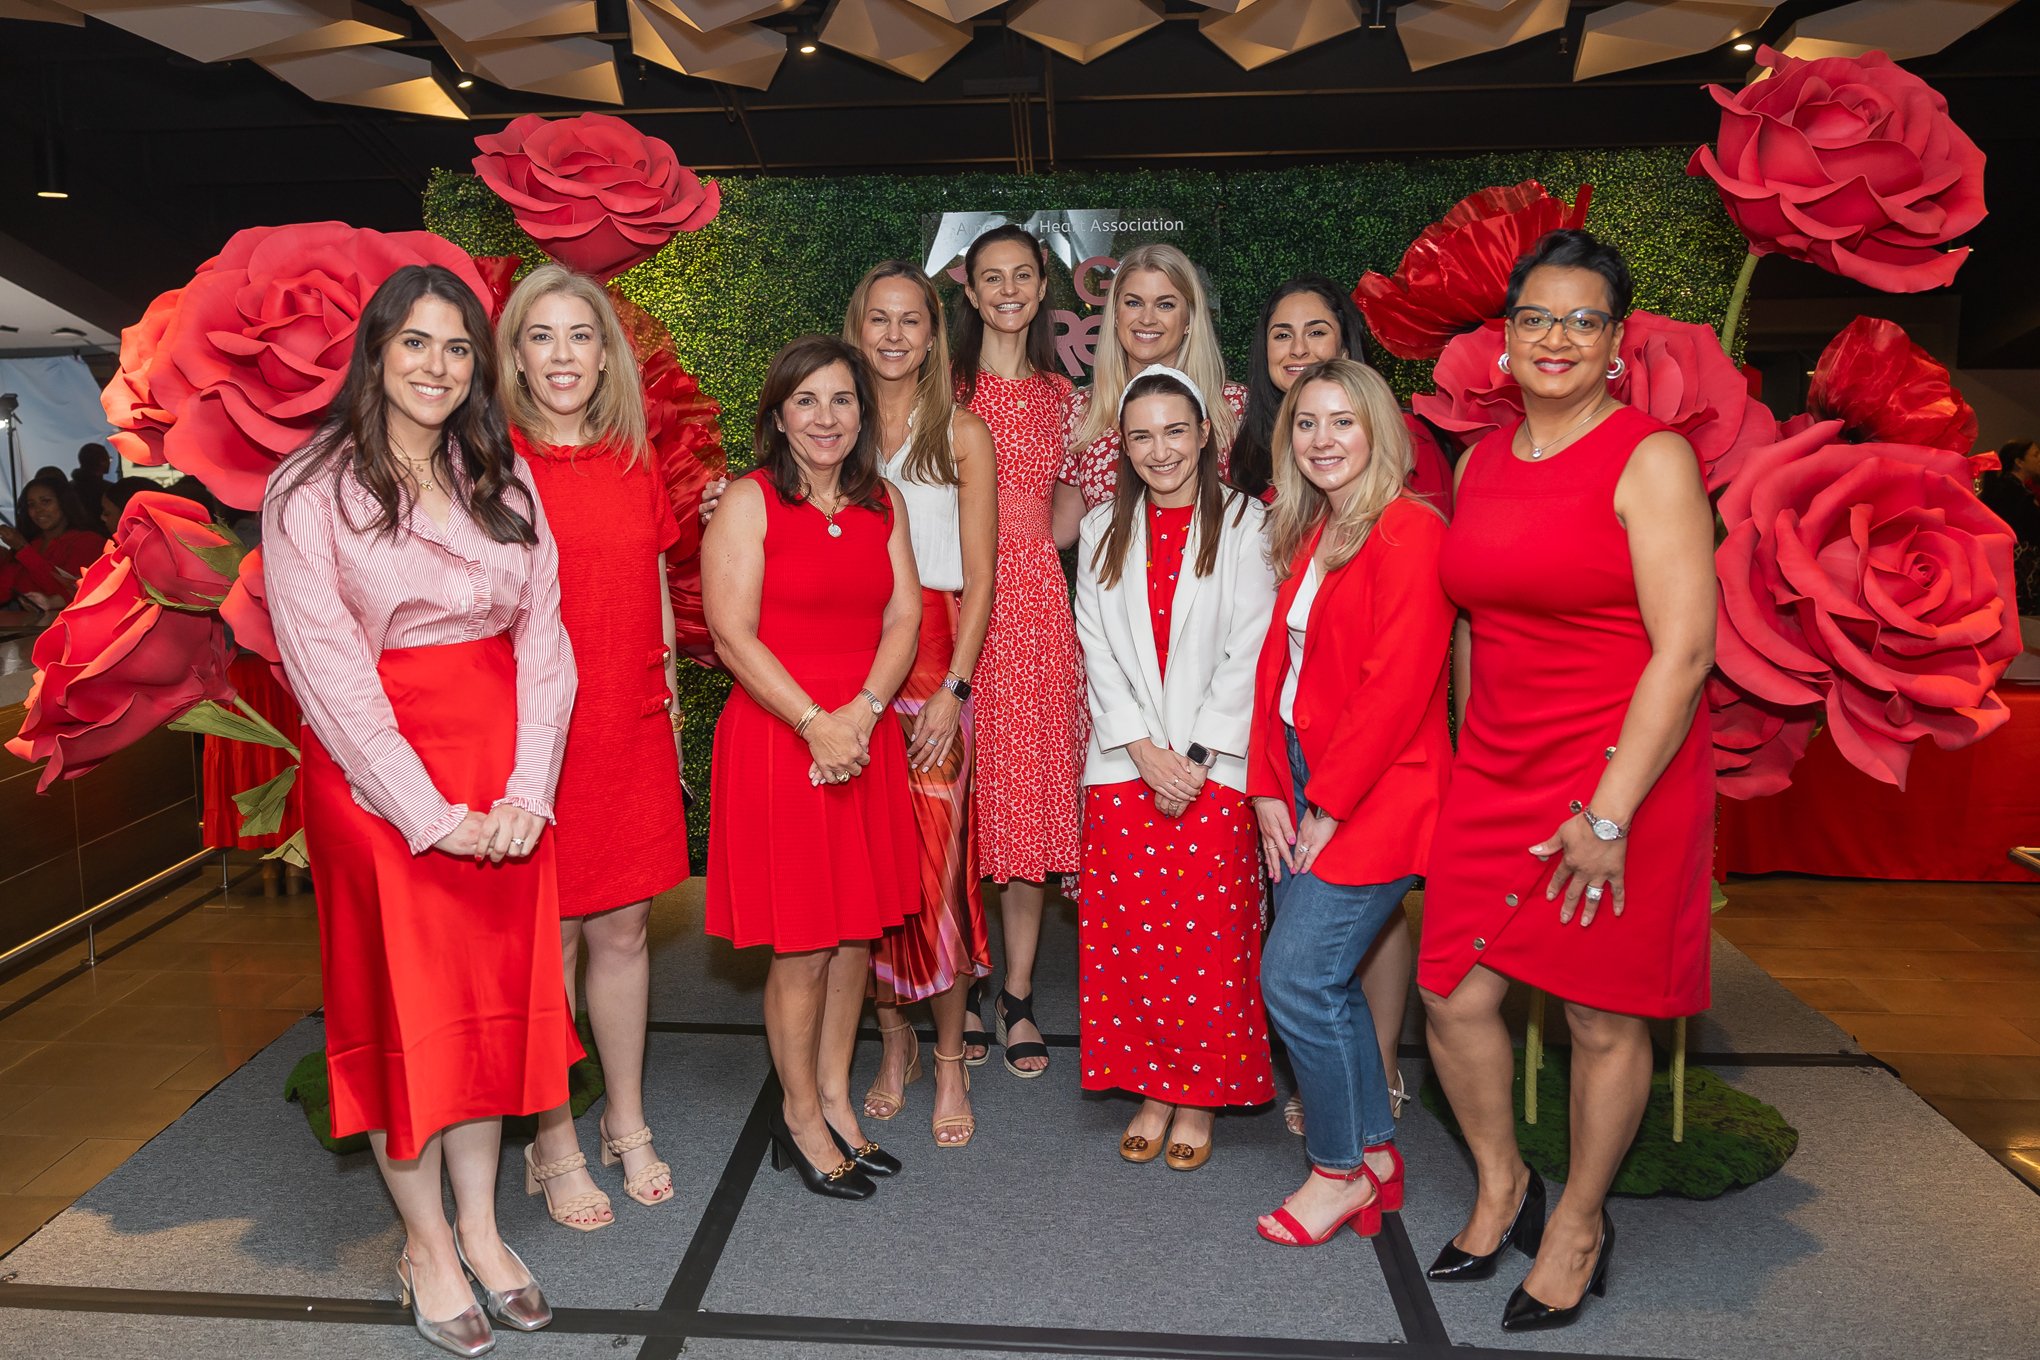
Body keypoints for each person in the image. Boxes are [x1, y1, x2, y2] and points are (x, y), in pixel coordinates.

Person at [264, 263, 580, 1355]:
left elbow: (547, 642)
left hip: (503, 763)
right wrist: (431, 811)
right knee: (405, 1015)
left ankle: (485, 1232)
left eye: (458, 349)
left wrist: (529, 790)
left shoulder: (500, 470)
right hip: (380, 778)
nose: (438, 368)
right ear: (377, 352)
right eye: (416, 345)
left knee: (491, 1011)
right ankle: (427, 1248)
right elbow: (328, 676)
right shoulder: (310, 490)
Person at [1418, 230, 1716, 1332]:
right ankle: (1503, 1183)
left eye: (1582, 320)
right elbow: (1469, 626)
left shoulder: (1653, 459)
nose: (1557, 338)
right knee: (1452, 993)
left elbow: (1684, 651)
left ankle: (1582, 1221)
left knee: (1599, 1015)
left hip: (1620, 773)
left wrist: (1608, 810)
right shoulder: (1482, 461)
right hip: (1497, 766)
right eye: (1537, 318)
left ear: (1617, 344)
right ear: (1503, 340)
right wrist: (1461, 758)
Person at [1232, 276, 1453, 1142]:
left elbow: (1394, 692)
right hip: (1297, 771)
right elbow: (1272, 677)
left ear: (1378, 430)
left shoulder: (1411, 530)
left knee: (1293, 980)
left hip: (1375, 788)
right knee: (1314, 976)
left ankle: (1336, 1163)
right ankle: (1369, 1152)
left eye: (1343, 422)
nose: (1323, 440)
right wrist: (1266, 789)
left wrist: (1325, 803)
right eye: (1308, 424)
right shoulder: (1311, 529)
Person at [701, 334, 922, 1200]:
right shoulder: (750, 503)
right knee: (801, 947)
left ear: (861, 415)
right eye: (807, 401)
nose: (826, 418)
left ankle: (835, 1095)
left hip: (863, 737)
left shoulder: (884, 504)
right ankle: (797, 1118)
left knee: (855, 937)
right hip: (777, 740)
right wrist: (813, 722)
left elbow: (904, 617)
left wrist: (862, 713)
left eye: (842, 401)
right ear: (779, 416)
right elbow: (730, 633)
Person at [497, 263, 689, 1230]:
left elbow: (652, 580)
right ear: (516, 355)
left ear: (604, 352)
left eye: (581, 335)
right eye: (543, 336)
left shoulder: (631, 454)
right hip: (536, 735)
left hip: (630, 723)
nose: (563, 355)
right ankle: (553, 1136)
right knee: (552, 940)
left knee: (623, 932)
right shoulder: (490, 462)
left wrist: (666, 704)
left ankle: (627, 1117)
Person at [1072, 363, 1276, 1170]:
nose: (1161, 450)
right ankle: (1153, 1087)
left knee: (1211, 941)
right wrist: (1144, 751)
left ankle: (1198, 1095)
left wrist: (1190, 759)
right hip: (1126, 766)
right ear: (1123, 445)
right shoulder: (1098, 529)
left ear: (1205, 436)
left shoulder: (1250, 524)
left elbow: (1249, 651)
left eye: (1175, 431)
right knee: (1132, 939)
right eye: (1142, 435)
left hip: (1214, 767)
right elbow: (1096, 647)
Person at [845, 262, 997, 1148]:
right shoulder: (835, 427)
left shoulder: (962, 434)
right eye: (879, 319)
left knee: (936, 880)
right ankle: (891, 1045)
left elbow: (981, 580)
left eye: (911, 321)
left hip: (938, 669)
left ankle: (946, 1058)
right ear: (858, 327)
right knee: (865, 876)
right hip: (852, 672)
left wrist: (956, 688)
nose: (895, 335)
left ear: (935, 334)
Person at [952, 224, 1085, 1078]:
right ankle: (958, 981)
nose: (1007, 290)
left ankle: (1020, 995)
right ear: (969, 291)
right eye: (990, 277)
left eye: (1022, 276)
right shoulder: (945, 389)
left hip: (1036, 614)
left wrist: (1032, 549)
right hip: (960, 609)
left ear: (1042, 290)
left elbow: (1071, 506)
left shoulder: (1061, 397)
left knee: (1030, 811)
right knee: (959, 807)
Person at [1054, 243, 1246, 546]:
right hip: (1115, 589)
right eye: (1133, 303)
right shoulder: (1081, 412)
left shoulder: (1232, 406)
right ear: (1115, 314)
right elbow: (1061, 532)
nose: (1146, 318)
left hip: (1212, 585)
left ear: (1189, 320)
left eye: (1165, 305)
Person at [1231, 275, 1455, 515]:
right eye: (1282, 335)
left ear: (1345, 349)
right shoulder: (1253, 444)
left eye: (1316, 333)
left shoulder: (1404, 433)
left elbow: (1431, 534)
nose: (1298, 349)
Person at [0, 472, 104, 625]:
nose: (38, 510)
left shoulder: (87, 542)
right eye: (31, 505)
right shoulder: (33, 543)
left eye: (46, 502)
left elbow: (67, 592)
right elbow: (5, 588)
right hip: (26, 633)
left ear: (64, 503)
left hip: (69, 630)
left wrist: (23, 549)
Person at [71, 442, 114, 524]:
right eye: (109, 459)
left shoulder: (68, 488)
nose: (109, 462)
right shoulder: (111, 491)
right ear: (102, 462)